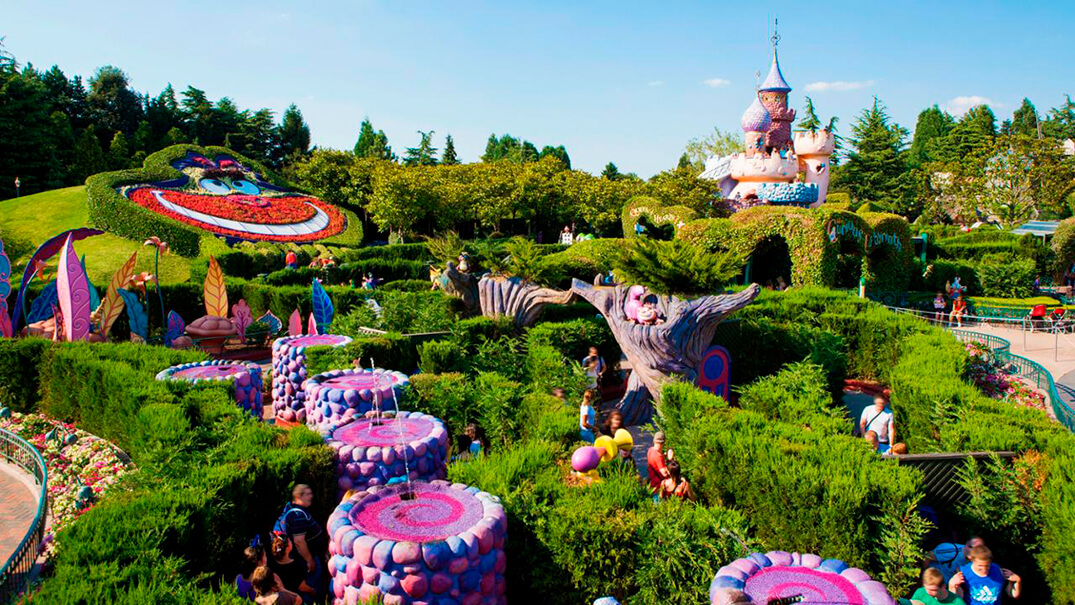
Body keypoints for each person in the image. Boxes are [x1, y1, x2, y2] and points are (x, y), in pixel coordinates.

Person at [272, 485, 327, 599]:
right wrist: (309, 560)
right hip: (306, 559)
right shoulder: (297, 515)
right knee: (311, 587)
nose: (311, 496)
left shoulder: (292, 510)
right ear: (298, 497)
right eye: (307, 494)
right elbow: (299, 541)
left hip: (305, 557)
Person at [949, 545, 1021, 605]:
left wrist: (1017, 581)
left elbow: (1013, 595)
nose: (984, 569)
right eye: (980, 566)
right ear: (972, 560)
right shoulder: (962, 573)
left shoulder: (998, 570)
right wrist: (952, 586)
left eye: (987, 566)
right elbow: (956, 602)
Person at [269, 534, 317, 604]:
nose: (291, 542)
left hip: (281, 599)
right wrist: (312, 590)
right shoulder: (295, 566)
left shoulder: (272, 564)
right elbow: (302, 587)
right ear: (287, 548)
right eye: (290, 542)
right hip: (294, 599)